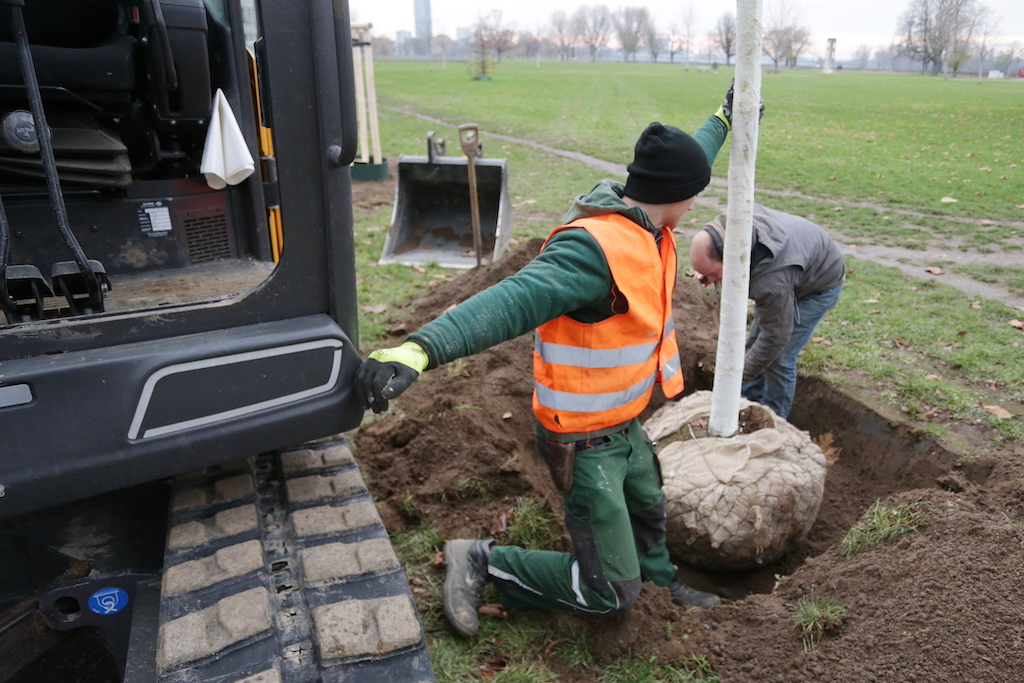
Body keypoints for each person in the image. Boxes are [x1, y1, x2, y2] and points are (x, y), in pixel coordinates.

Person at [355, 87, 743, 638]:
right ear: (679, 194)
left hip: (624, 425)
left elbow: (692, 158)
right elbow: (512, 300)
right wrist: (420, 348)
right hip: (584, 441)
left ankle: (660, 583)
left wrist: (725, 116)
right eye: (695, 193)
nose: (695, 204)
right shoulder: (594, 251)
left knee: (648, 511)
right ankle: (484, 560)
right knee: (610, 595)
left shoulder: (649, 218)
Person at [688, 205, 845, 419]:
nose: (712, 280)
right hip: (796, 262)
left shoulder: (771, 282)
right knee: (754, 345)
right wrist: (709, 273)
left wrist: (734, 381)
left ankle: (775, 418)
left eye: (714, 274)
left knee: (779, 358)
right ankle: (746, 402)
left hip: (817, 287)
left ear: (733, 259)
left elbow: (775, 338)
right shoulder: (732, 225)